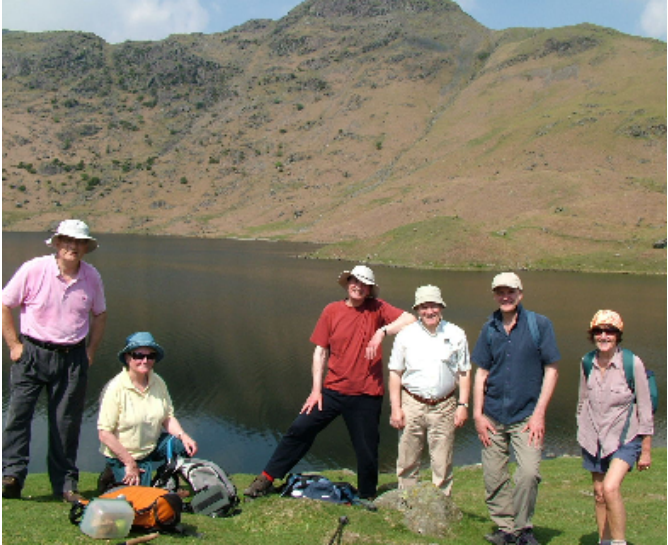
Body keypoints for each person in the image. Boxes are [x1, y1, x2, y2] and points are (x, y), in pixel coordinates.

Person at [244, 265, 416, 501]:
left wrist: (382, 331)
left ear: (369, 289)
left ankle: (367, 496)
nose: (358, 286)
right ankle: (266, 478)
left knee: (367, 449)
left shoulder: (377, 309)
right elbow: (320, 351)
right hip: (331, 392)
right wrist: (316, 391)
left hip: (367, 394)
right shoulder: (331, 311)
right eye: (354, 281)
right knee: (299, 429)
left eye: (364, 284)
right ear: (347, 283)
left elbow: (410, 319)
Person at [2, 219, 107, 503]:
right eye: (68, 241)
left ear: (86, 247)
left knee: (66, 423)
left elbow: (100, 314)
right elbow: (5, 303)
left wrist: (90, 351)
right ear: (58, 243)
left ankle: (65, 485)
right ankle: (11, 477)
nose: (73, 247)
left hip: (72, 357)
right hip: (32, 354)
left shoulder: (91, 276)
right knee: (18, 417)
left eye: (79, 242)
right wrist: (13, 344)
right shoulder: (34, 269)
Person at [471, 272, 560, 545]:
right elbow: (481, 373)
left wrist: (539, 414)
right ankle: (504, 528)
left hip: (527, 416)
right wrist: (477, 414)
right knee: (494, 475)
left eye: (510, 292)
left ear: (520, 294)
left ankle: (523, 529)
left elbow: (552, 369)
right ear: (495, 295)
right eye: (500, 292)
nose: (505, 297)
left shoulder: (539, 325)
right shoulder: (489, 328)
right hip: (492, 414)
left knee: (529, 473)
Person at [576, 310, 653, 545]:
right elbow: (582, 401)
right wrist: (581, 429)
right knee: (599, 495)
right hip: (593, 438)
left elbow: (645, 406)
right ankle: (604, 541)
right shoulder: (586, 362)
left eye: (609, 331)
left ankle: (619, 542)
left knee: (610, 488)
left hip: (624, 438)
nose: (604, 335)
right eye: (599, 331)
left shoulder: (632, 363)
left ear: (618, 335)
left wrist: (646, 450)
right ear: (592, 335)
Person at [388, 284, 471, 496]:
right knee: (408, 458)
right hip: (412, 403)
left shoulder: (456, 334)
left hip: (445, 405)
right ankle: (406, 502)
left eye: (433, 306)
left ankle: (441, 505)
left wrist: (463, 405)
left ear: (441, 307)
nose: (429, 311)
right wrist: (396, 408)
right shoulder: (405, 336)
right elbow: (395, 373)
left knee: (442, 460)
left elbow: (464, 372)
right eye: (424, 307)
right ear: (417, 309)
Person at [97, 332, 198, 490]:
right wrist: (129, 462)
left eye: (150, 356)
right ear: (127, 358)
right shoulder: (115, 388)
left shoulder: (158, 382)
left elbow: (167, 417)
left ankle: (164, 480)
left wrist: (183, 435)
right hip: (125, 455)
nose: (145, 360)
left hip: (151, 446)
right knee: (140, 498)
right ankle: (112, 474)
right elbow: (104, 433)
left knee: (183, 447)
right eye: (138, 355)